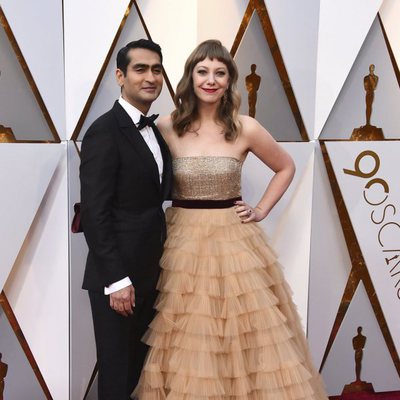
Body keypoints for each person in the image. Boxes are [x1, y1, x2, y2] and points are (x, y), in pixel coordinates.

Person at [133, 39, 327, 399]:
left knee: (244, 332)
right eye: (203, 71)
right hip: (182, 239)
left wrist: (261, 209)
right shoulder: (165, 125)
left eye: (220, 73)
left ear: (229, 80)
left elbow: (285, 166)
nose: (211, 79)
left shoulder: (245, 127)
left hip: (233, 239)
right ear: (190, 77)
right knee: (190, 331)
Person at [80, 38, 172, 400]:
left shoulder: (157, 130)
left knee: (141, 374)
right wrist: (117, 280)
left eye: (156, 69)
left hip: (153, 270)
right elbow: (94, 213)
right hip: (117, 277)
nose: (150, 77)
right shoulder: (104, 130)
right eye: (140, 69)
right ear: (120, 76)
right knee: (118, 375)